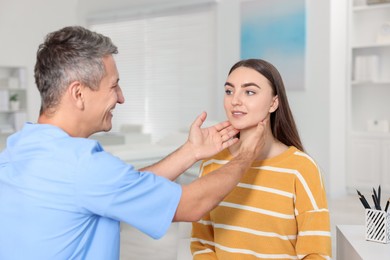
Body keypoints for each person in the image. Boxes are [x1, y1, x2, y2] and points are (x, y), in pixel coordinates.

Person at [0, 26, 268, 260]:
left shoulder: (18, 148)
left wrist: (191, 152)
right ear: (78, 93)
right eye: (114, 86)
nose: (121, 97)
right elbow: (191, 204)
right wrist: (246, 154)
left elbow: (117, 188)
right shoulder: (82, 165)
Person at [191, 59, 332, 259]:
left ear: (273, 103)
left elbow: (315, 252)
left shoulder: (301, 168)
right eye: (229, 91)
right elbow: (202, 244)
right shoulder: (212, 164)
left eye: (249, 92)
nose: (235, 100)